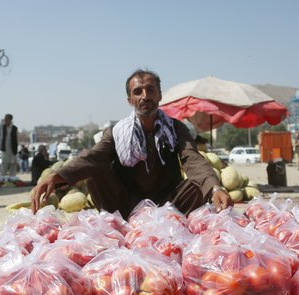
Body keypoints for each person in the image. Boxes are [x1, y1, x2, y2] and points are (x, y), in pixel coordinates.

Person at [31, 69, 232, 217]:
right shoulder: (116, 132)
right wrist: (56, 177)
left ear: (159, 96)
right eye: (138, 92)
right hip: (126, 205)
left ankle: (174, 221)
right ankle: (119, 223)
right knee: (95, 170)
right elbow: (93, 157)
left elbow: (192, 159)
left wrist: (215, 188)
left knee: (199, 182)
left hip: (170, 205)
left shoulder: (176, 128)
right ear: (130, 100)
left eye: (150, 90)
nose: (144, 96)